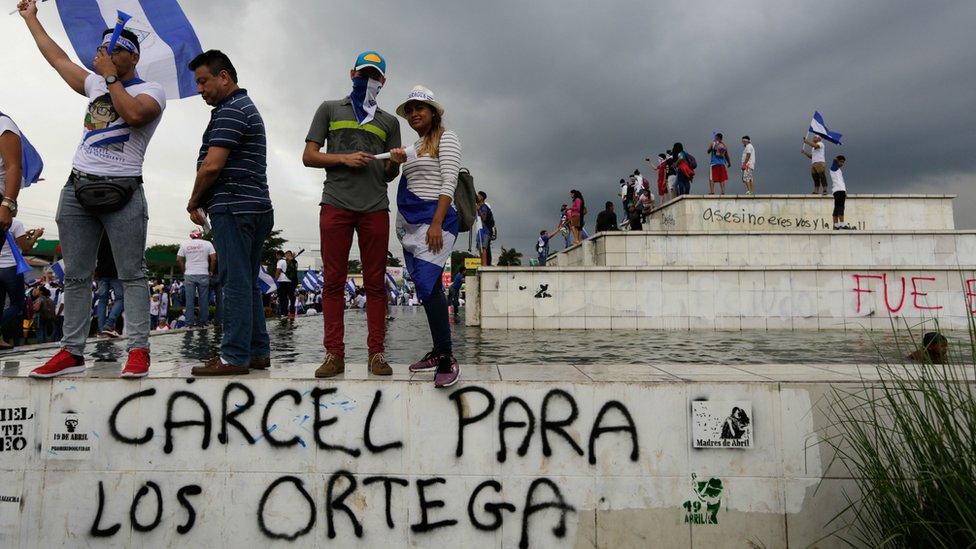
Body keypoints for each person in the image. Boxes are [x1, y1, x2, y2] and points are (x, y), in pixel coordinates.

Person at [21, 0, 164, 378]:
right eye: (103, 48)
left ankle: (138, 350)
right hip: (78, 189)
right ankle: (71, 352)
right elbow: (57, 59)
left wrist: (111, 79)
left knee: (132, 274)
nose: (104, 53)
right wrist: (31, 19)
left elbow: (134, 115)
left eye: (114, 48)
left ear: (131, 57)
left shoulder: (152, 90)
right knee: (77, 276)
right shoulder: (95, 82)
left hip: (124, 192)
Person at [303, 51, 401, 378]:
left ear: (383, 82)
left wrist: (396, 163)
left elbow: (388, 175)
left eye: (374, 76)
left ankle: (376, 355)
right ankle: (334, 355)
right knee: (332, 281)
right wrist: (344, 159)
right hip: (335, 203)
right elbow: (309, 156)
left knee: (375, 282)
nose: (368, 80)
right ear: (351, 73)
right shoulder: (329, 109)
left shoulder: (389, 122)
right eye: (363, 74)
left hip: (375, 207)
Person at [185, 50, 274, 376]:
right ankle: (257, 351)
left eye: (204, 81)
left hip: (234, 207)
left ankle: (234, 356)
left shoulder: (231, 110)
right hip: (255, 206)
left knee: (234, 282)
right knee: (247, 282)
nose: (200, 88)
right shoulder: (241, 107)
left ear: (224, 76)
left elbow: (212, 166)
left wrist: (194, 200)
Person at [390, 86, 461, 388]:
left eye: (420, 108)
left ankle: (446, 357)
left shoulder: (447, 138)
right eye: (409, 109)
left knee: (430, 284)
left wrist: (436, 222)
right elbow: (389, 171)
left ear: (433, 112)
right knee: (424, 287)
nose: (414, 113)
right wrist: (393, 160)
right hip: (413, 227)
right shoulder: (413, 147)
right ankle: (438, 350)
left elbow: (449, 180)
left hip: (436, 222)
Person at [0, 224, 41, 349]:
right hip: (12, 268)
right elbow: (27, 247)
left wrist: (25, 234)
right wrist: (35, 235)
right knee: (18, 304)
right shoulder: (15, 223)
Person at [177, 229, 216, 326]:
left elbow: (178, 259)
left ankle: (189, 323)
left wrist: (184, 271)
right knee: (203, 300)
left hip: (189, 274)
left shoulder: (185, 245)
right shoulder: (207, 244)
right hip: (203, 273)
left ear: (191, 236)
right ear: (200, 235)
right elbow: (214, 258)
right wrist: (211, 271)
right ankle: (203, 321)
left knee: (189, 301)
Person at [93, 232, 123, 337]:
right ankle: (109, 325)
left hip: (101, 271)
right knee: (120, 298)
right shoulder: (118, 235)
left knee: (102, 300)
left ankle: (101, 329)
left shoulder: (99, 235)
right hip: (116, 272)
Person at [829, 155, 853, 230]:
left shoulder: (838, 170)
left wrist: (845, 191)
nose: (842, 164)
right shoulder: (834, 168)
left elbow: (841, 182)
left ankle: (836, 225)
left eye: (843, 162)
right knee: (841, 207)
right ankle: (842, 224)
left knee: (836, 207)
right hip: (839, 190)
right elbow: (834, 160)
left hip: (840, 190)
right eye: (841, 162)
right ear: (837, 161)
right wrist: (836, 159)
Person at [476, 191, 496, 266]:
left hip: (485, 230)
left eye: (478, 196)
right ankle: (483, 264)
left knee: (483, 247)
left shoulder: (484, 207)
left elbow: (484, 218)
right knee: (480, 247)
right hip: (480, 230)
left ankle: (484, 265)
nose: (477, 197)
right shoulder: (479, 206)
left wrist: (478, 210)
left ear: (482, 197)